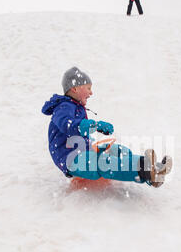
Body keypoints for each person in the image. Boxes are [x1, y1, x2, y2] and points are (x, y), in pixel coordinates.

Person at [42, 67, 172, 188]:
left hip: (84, 150)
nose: (91, 92)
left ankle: (151, 168)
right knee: (103, 162)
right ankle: (145, 170)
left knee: (117, 150)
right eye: (88, 88)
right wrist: (94, 125)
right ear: (75, 88)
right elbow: (67, 125)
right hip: (70, 158)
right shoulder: (63, 108)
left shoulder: (75, 107)